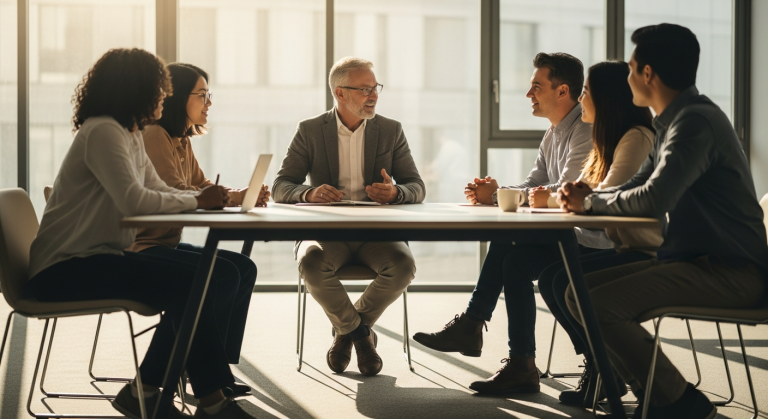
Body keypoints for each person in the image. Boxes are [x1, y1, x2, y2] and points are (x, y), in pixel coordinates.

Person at [26, 48, 256, 419]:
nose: (165, 97)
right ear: (135, 89)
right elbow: (134, 201)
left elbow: (159, 189)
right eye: (159, 89)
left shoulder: (127, 132)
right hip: (64, 269)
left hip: (97, 258)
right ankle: (206, 400)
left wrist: (202, 197)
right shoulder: (102, 131)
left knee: (199, 280)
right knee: (194, 283)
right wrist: (198, 202)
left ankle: (149, 391)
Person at [559, 24, 768, 419]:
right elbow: (638, 185)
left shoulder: (694, 123)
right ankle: (659, 396)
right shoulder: (670, 122)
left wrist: (589, 205)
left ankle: (679, 403)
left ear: (648, 74)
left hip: (730, 271)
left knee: (596, 303)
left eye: (631, 68)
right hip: (696, 261)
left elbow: (654, 200)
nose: (628, 77)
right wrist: (591, 200)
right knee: (577, 293)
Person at [412, 52, 599, 395]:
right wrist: (497, 193)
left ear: (562, 91)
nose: (529, 95)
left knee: (507, 241)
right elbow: (534, 186)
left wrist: (510, 196)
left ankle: (474, 325)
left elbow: (564, 193)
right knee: (513, 261)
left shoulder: (584, 131)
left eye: (536, 87)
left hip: (589, 239)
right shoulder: (553, 133)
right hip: (564, 238)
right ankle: (521, 365)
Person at [272, 57, 425, 376]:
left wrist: (395, 193)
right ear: (340, 93)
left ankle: (346, 332)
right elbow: (281, 186)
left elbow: (416, 186)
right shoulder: (311, 130)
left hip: (377, 234)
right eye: (365, 89)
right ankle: (361, 336)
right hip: (328, 233)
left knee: (403, 266)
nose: (374, 95)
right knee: (311, 263)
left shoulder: (390, 130)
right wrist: (309, 193)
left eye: (375, 88)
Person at [127, 63, 267, 397]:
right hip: (140, 246)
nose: (209, 103)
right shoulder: (155, 136)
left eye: (209, 95)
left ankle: (216, 366)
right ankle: (205, 375)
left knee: (243, 268)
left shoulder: (180, 140)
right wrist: (217, 198)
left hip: (165, 244)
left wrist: (241, 196)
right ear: (176, 97)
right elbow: (178, 192)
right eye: (202, 95)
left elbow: (201, 187)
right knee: (220, 275)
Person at [533, 61, 662, 407]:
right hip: (624, 244)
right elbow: (594, 196)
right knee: (553, 279)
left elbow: (605, 199)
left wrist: (576, 200)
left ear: (605, 99)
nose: (581, 99)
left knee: (561, 281)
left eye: (586, 92)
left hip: (644, 251)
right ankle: (604, 367)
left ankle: (607, 369)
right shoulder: (613, 140)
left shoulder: (636, 138)